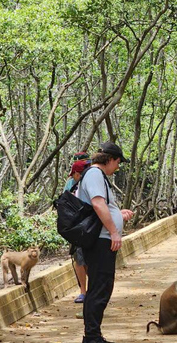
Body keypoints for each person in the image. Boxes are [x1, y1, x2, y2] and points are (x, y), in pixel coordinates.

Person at [76, 142, 134, 343]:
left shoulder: (99, 176)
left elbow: (104, 206)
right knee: (99, 288)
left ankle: (94, 334)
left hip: (104, 239)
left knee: (103, 287)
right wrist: (113, 231)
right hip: (100, 240)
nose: (117, 167)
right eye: (117, 162)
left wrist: (119, 215)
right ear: (110, 159)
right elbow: (97, 204)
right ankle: (92, 336)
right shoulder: (94, 174)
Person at [64, 156, 91, 304]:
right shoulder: (70, 185)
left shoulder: (91, 181)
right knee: (79, 259)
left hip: (91, 226)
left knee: (90, 260)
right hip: (77, 227)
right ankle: (83, 291)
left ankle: (92, 291)